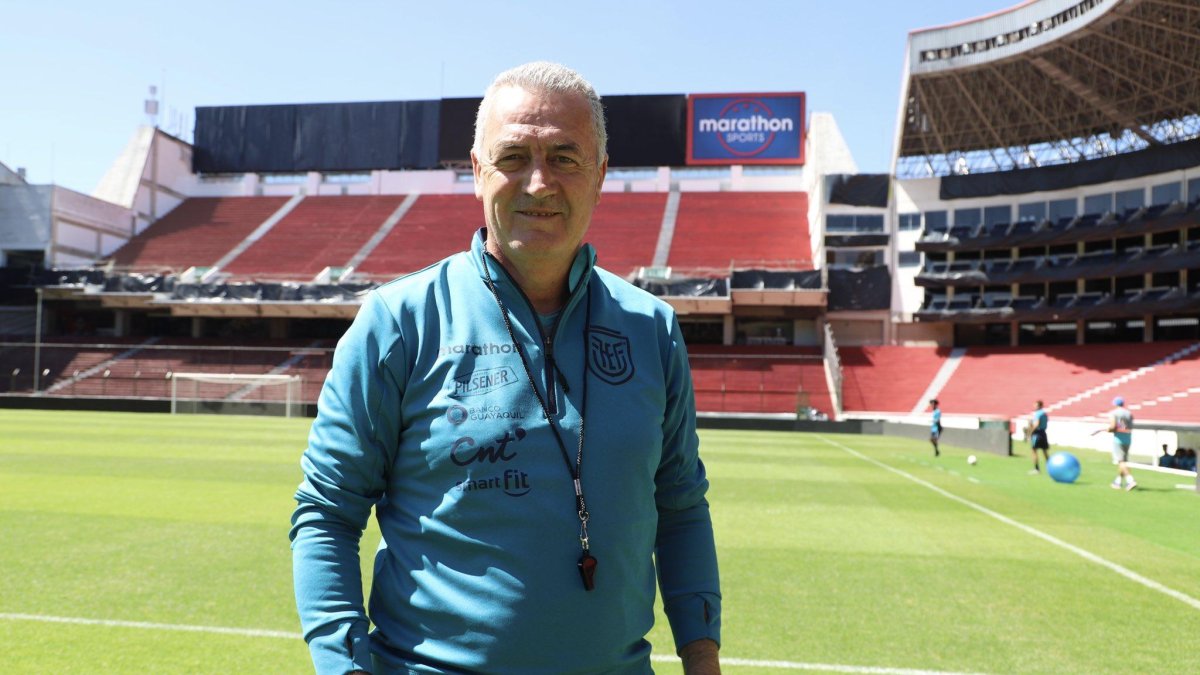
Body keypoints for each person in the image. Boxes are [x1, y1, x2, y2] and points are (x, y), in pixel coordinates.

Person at [290, 61, 721, 674]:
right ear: (476, 172)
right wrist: (342, 666)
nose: (539, 183)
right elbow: (327, 514)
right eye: (513, 156)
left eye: (565, 159)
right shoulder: (397, 323)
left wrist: (702, 659)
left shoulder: (651, 328)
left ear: (600, 176)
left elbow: (680, 509)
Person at [1107, 396, 1137, 491]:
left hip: (1118, 439)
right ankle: (1118, 482)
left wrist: (1110, 429)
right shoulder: (1128, 413)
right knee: (1122, 461)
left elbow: (1113, 426)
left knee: (1121, 462)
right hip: (1127, 439)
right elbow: (1124, 426)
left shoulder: (1114, 413)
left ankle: (1130, 480)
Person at [1028, 400, 1050, 474]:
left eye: (1036, 405)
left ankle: (1036, 469)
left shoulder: (1038, 414)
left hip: (1037, 434)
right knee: (1045, 451)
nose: (1035, 407)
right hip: (1043, 433)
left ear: (1040, 406)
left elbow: (1037, 424)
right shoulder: (1044, 414)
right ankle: (1051, 467)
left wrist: (1030, 432)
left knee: (1034, 450)